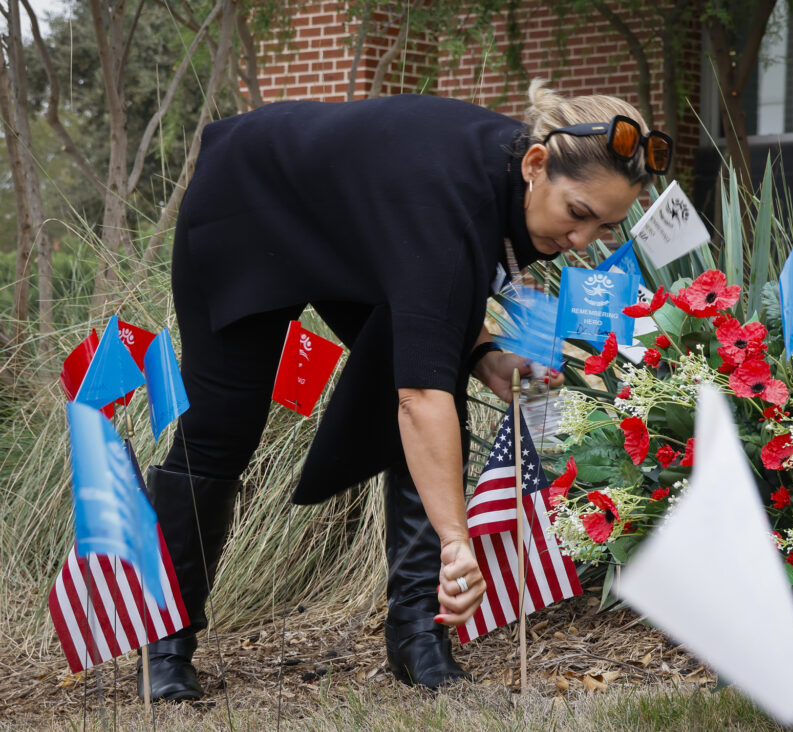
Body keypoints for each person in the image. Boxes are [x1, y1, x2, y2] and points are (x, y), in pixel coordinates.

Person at [140, 78, 672, 700]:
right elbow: (418, 396)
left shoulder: (500, 187)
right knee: (221, 431)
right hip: (248, 207)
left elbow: (433, 301)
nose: (582, 241)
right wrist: (456, 542)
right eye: (578, 214)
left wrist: (482, 356)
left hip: (350, 232)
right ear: (535, 165)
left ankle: (418, 635)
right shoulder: (451, 197)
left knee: (438, 369)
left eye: (605, 228)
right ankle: (168, 644)